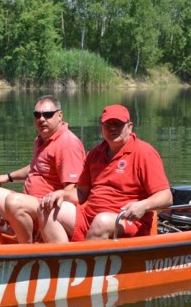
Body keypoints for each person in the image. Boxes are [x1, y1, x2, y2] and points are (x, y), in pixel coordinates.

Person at [39, 104, 172, 242]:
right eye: (108, 124)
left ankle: (86, 261)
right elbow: (81, 193)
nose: (113, 128)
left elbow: (166, 197)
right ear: (101, 128)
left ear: (130, 126)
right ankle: (64, 261)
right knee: (45, 209)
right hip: (89, 217)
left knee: (101, 222)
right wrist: (61, 193)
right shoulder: (94, 154)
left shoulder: (144, 152)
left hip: (127, 221)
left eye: (118, 124)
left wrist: (143, 206)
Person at [0, 95, 86, 243]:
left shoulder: (67, 144)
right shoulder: (41, 138)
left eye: (48, 115)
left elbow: (73, 193)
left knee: (14, 202)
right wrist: (8, 177)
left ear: (60, 115)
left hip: (47, 208)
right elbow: (36, 167)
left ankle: (26, 247)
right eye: (37, 115)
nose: (41, 119)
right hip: (30, 202)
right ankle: (2, 234)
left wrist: (48, 215)